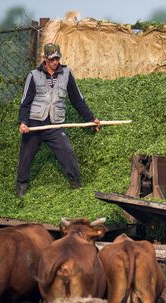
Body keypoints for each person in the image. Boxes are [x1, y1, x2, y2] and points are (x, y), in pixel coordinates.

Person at [16, 43, 101, 197]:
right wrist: (23, 122)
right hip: (35, 123)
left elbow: (77, 100)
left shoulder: (67, 74)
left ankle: (75, 183)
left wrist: (90, 118)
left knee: (66, 151)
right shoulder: (33, 75)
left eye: (57, 58)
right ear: (44, 59)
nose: (55, 62)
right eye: (51, 59)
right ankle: (21, 185)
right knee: (26, 154)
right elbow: (25, 103)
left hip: (55, 124)